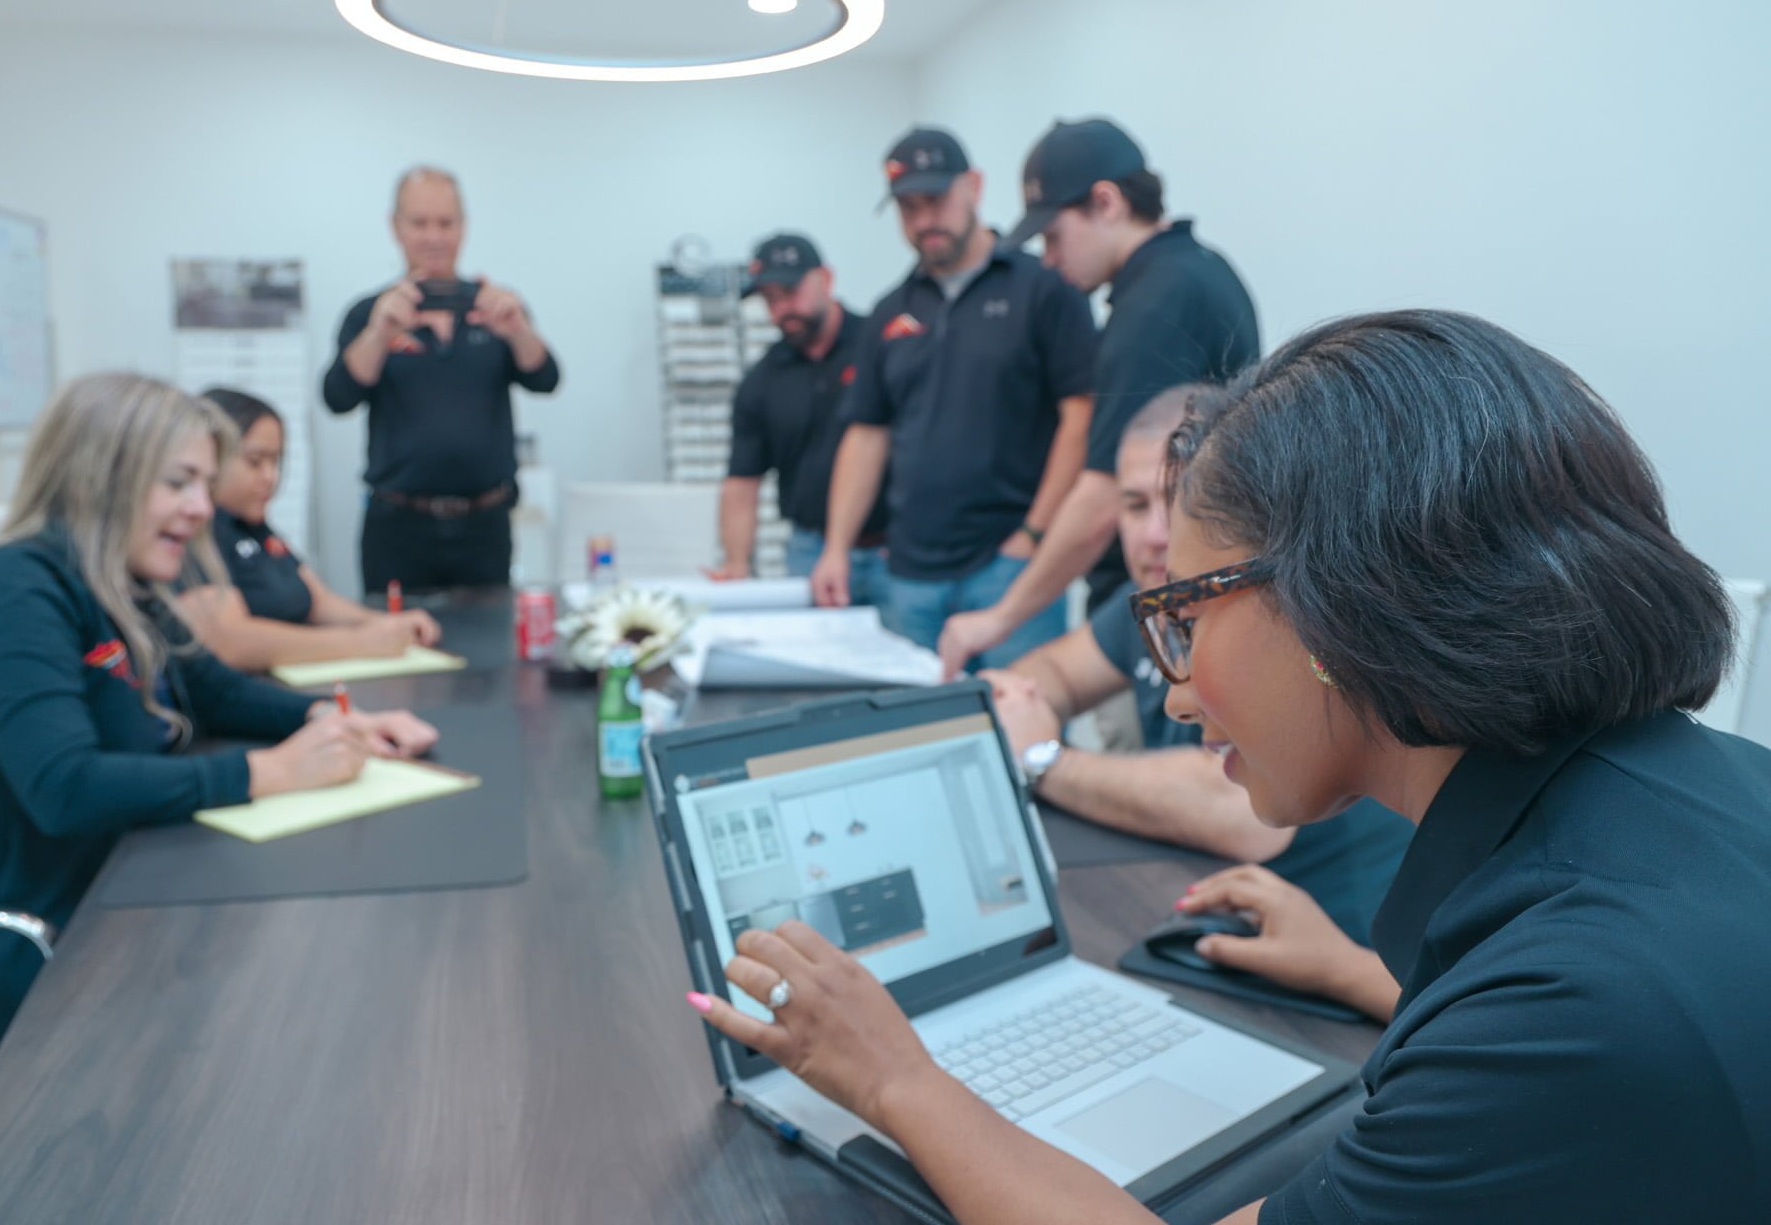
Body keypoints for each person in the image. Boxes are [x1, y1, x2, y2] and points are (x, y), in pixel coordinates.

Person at [690, 311, 1771, 1223]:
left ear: (1334, 602)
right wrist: (1358, 972)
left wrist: (897, 1077)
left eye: (1182, 616)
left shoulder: (1571, 1011)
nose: (1173, 686)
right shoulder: (1702, 793)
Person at [0, 373, 438, 1073]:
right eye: (180, 482)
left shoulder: (119, 585)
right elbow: (64, 785)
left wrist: (332, 716)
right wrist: (270, 772)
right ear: (104, 474)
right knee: (259, 1022)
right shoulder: (13, 589)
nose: (200, 507)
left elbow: (211, 689)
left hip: (69, 905)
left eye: (203, 483)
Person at [985, 384, 1409, 943]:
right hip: (1210, 914)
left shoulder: (1282, 617)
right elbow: (1049, 674)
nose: (1157, 534)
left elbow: (1237, 811)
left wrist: (1042, 758)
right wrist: (1021, 705)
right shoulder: (1149, 602)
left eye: (1180, 500)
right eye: (1135, 505)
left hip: (1339, 946)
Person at [941, 118, 1259, 677]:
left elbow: (1103, 497)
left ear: (1105, 202)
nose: (1048, 257)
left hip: (1170, 605)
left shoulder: (1152, 309)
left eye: (1053, 235)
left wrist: (1000, 617)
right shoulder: (1200, 272)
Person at [815, 127, 1098, 669]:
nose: (924, 221)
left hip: (1010, 566)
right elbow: (867, 434)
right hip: (909, 574)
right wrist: (835, 548)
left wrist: (1035, 534)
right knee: (919, 734)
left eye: (936, 200)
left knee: (1022, 728)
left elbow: (1080, 415)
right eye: (908, 208)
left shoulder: (1043, 289)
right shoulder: (889, 311)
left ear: (974, 187)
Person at [323, 166, 561, 593]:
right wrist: (380, 333)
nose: (434, 237)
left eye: (446, 223)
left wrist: (517, 329)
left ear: (463, 227)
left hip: (485, 524)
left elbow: (546, 378)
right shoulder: (369, 313)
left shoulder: (495, 307)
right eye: (420, 223)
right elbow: (338, 396)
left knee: (491, 653)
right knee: (397, 652)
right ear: (396, 227)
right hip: (397, 527)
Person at [173, 387, 444, 672]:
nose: (271, 477)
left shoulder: (254, 526)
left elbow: (317, 599)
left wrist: (382, 624)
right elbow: (230, 641)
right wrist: (360, 642)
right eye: (255, 462)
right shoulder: (197, 531)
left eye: (276, 461)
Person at [707, 233, 889, 602]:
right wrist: (737, 563)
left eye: (790, 292)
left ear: (826, 279)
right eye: (769, 299)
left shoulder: (881, 346)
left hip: (894, 547)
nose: (782, 309)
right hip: (811, 549)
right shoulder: (761, 381)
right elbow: (742, 484)